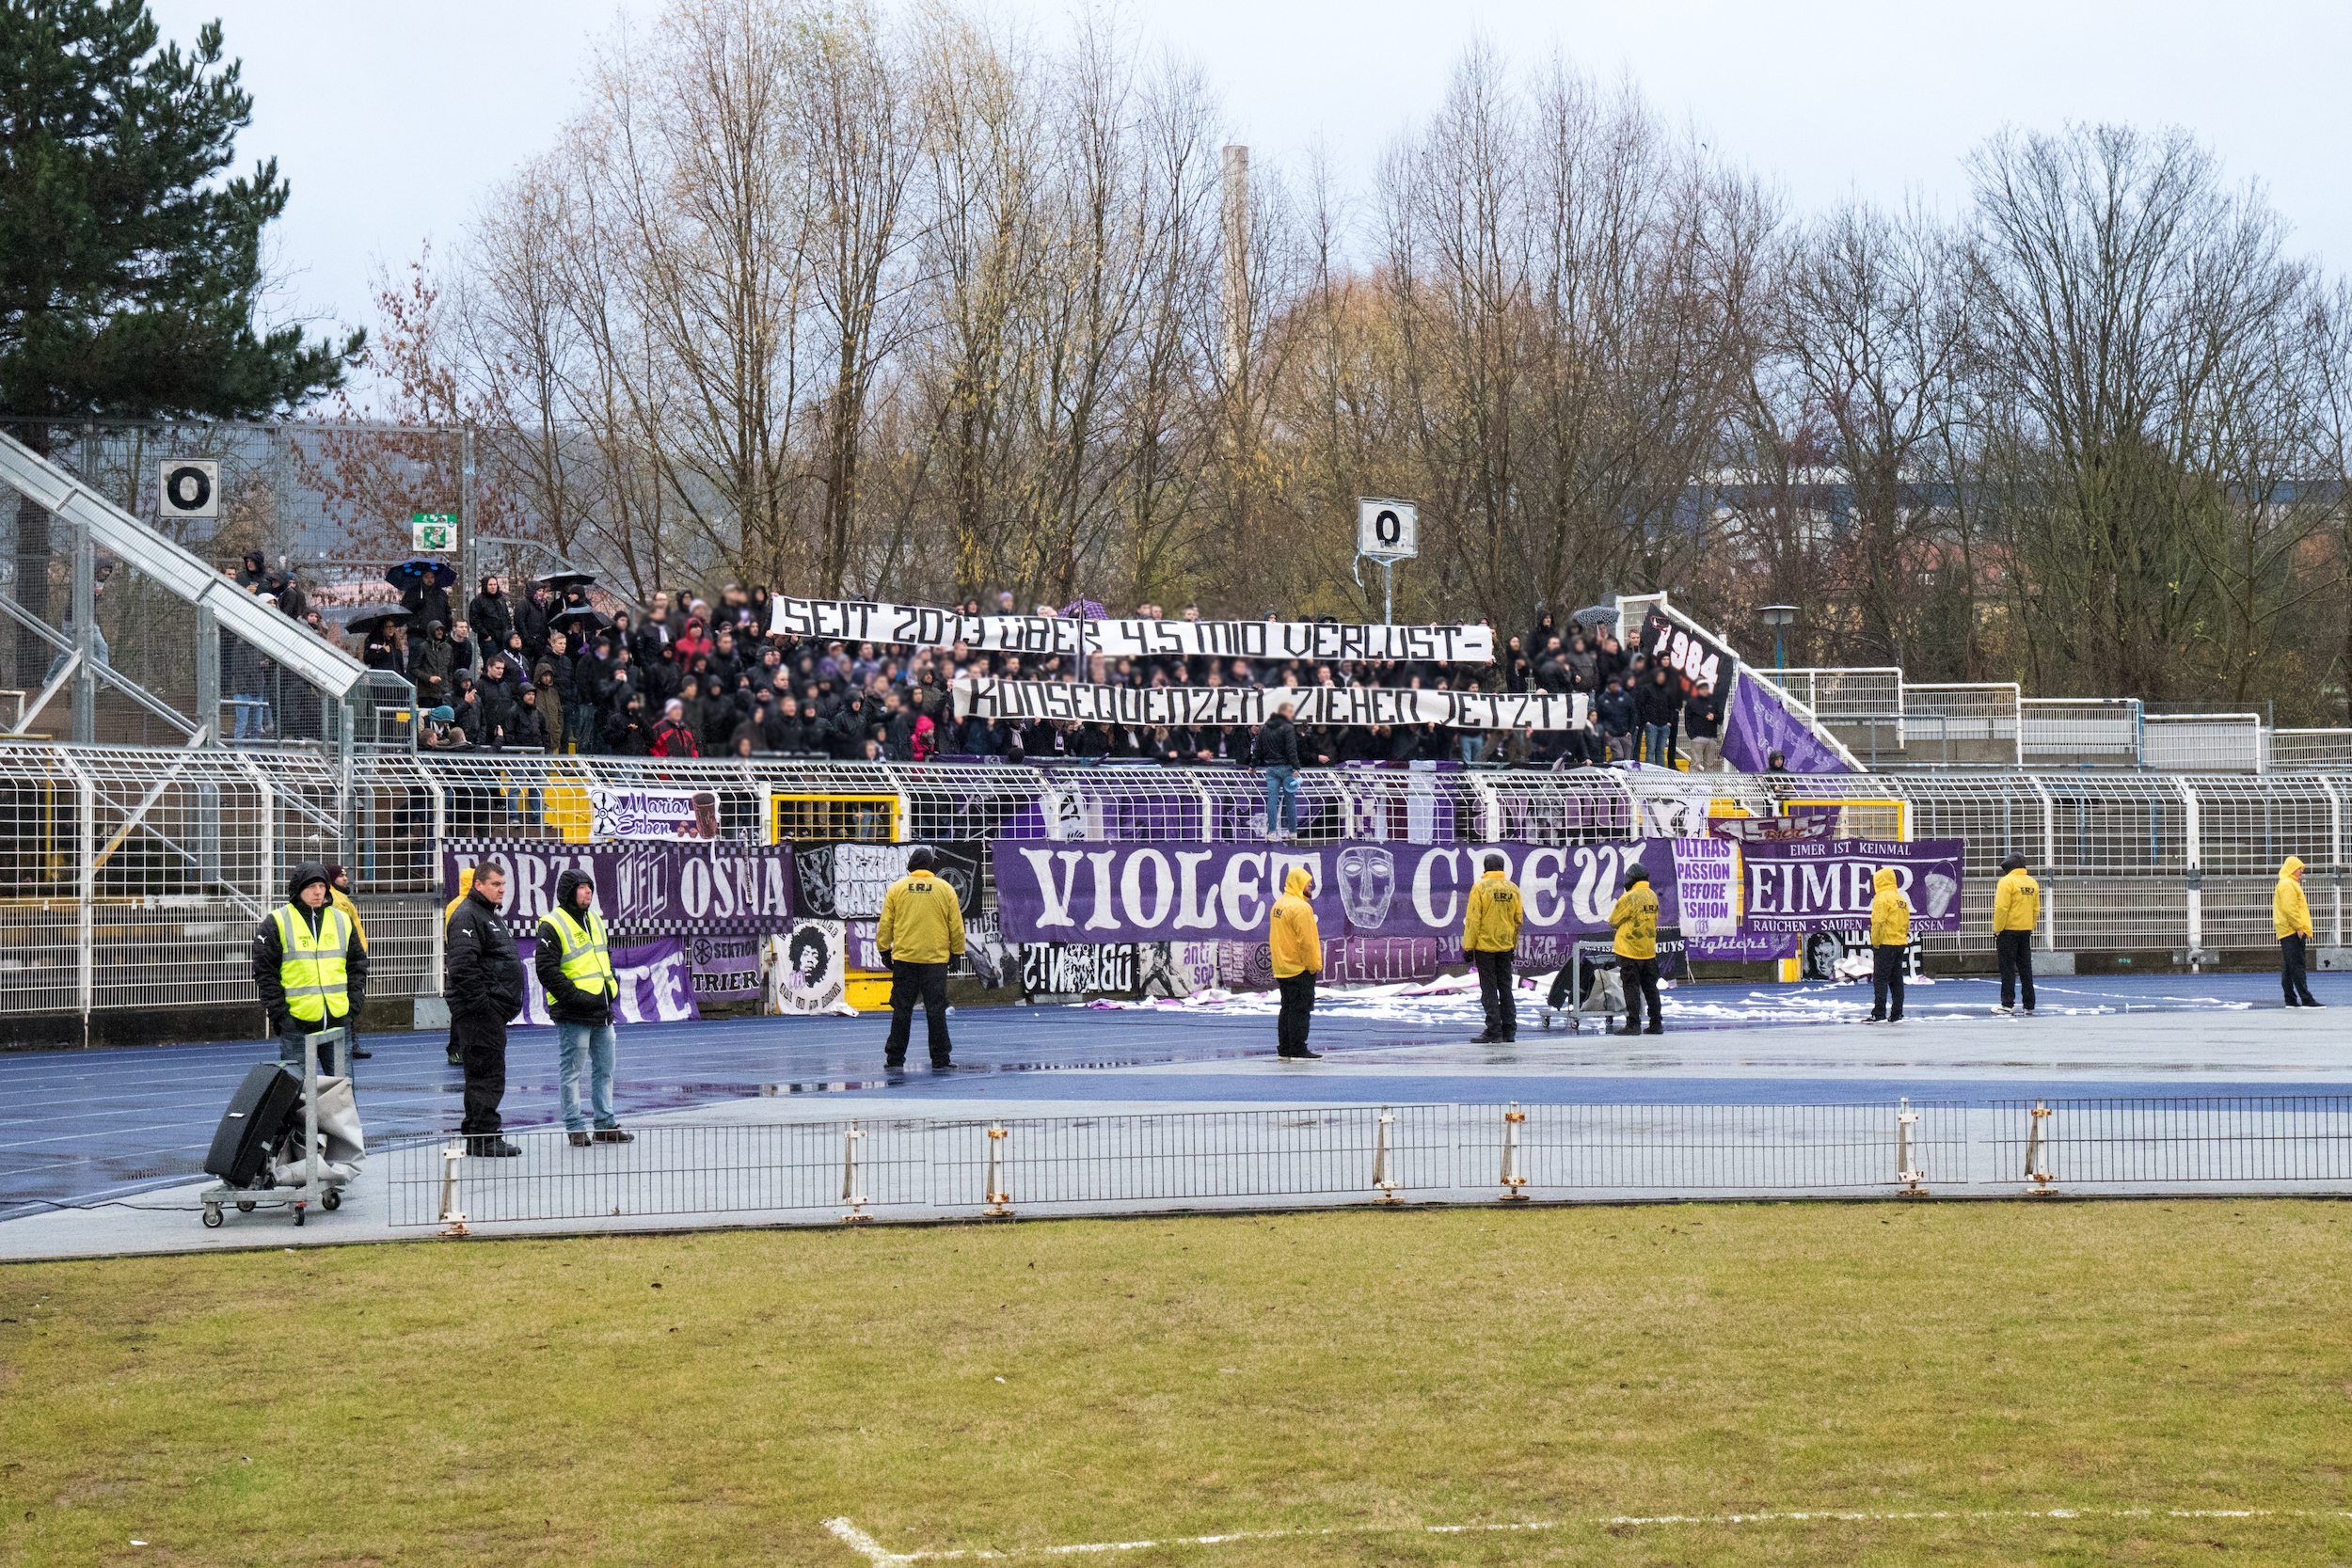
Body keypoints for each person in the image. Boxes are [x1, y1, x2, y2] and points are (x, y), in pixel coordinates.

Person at [535, 868, 632, 1147]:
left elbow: (605, 959)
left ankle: (605, 1124)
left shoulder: (595, 920)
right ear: (568, 892)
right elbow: (547, 971)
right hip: (574, 1012)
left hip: (601, 1010)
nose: (588, 891)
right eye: (581, 887)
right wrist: (577, 997)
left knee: (605, 1070)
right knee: (572, 1072)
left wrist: (610, 987)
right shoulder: (552, 924)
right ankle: (575, 1126)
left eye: (590, 887)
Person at [249, 862, 369, 1073]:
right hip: (297, 1024)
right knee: (296, 1094)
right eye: (311, 887)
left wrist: (353, 1005)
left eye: (322, 886)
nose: (317, 892)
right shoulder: (277, 922)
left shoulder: (342, 920)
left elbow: (357, 965)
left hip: (337, 1021)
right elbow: (265, 972)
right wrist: (282, 1015)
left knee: (341, 1094)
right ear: (298, 889)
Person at [445, 863, 525, 1155]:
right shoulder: (467, 915)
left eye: (503, 884)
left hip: (488, 1011)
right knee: (486, 1074)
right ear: (478, 885)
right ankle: (484, 1137)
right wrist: (484, 1007)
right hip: (480, 1012)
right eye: (495, 884)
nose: (501, 888)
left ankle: (480, 1131)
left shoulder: (487, 914)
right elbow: (462, 967)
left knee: (486, 1072)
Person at [876, 845, 966, 1071]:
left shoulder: (897, 889)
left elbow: (885, 924)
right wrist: (956, 952)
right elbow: (956, 926)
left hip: (905, 959)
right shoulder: (945, 889)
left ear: (911, 867)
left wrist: (884, 950)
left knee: (902, 1010)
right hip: (935, 961)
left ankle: (894, 1058)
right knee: (936, 1011)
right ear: (930, 867)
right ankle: (940, 1059)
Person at [1462, 851, 1524, 1043]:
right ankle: (1509, 1030)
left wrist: (1468, 947)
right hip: (1505, 946)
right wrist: (1512, 944)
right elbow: (1518, 920)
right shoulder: (1513, 888)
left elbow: (1473, 920)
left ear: (1485, 868)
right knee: (1506, 987)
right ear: (1503, 868)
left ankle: (1493, 1029)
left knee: (1489, 989)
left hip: (1485, 947)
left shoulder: (1480, 888)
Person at [1269, 864, 1323, 1058]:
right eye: (1308, 883)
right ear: (1299, 883)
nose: (1311, 887)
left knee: (1287, 1008)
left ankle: (1285, 1047)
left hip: (1282, 966)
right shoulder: (1301, 908)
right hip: (1299, 967)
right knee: (1301, 1009)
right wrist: (1313, 965)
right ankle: (1299, 1047)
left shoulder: (1279, 905)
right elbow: (1307, 942)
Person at [324, 864, 373, 1058]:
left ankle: (350, 1042)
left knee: (349, 1000)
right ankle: (349, 1043)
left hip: (350, 954)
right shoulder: (336, 900)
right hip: (344, 957)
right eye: (341, 875)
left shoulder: (340, 898)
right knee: (348, 1000)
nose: (346, 878)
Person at [1609, 864, 1661, 1036]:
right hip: (1648, 949)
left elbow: (1613, 920)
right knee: (1650, 988)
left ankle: (1633, 1023)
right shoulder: (1652, 895)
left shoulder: (1629, 897)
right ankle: (1656, 1022)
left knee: (1631, 987)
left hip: (1629, 950)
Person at [1992, 853, 2041, 1016]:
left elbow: (2001, 908)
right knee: (2026, 968)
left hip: (2008, 931)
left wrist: (1997, 928)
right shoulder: (2032, 883)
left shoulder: (2006, 882)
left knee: (2007, 968)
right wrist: (2030, 926)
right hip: (2025, 931)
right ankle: (2029, 1004)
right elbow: (2036, 909)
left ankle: (2007, 1003)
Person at [2275, 855, 2323, 1008]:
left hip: (2287, 929)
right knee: (2297, 966)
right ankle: (2306, 999)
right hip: (2292, 930)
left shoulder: (2286, 883)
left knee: (2289, 967)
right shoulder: (2288, 885)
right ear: (2292, 869)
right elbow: (2291, 909)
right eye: (2299, 869)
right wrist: (2299, 927)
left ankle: (2290, 999)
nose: (2301, 872)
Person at [1865, 867, 1910, 1024]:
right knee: (1897, 980)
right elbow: (1906, 923)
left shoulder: (1881, 898)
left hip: (1885, 943)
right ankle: (1897, 1014)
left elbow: (1878, 922)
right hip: (1900, 943)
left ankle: (1879, 1013)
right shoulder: (1901, 899)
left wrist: (1875, 942)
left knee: (1880, 979)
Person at [1257, 700, 1302, 841]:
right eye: (1290, 711)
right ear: (1283, 712)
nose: (1292, 714)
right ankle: (1293, 832)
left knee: (1272, 800)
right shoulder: (1288, 727)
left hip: (1270, 768)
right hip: (1286, 768)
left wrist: (1253, 765)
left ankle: (1271, 832)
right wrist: (1296, 766)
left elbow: (1258, 748)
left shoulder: (1264, 727)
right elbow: (1291, 749)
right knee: (1290, 800)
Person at [1682, 680, 1723, 771]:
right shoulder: (1691, 702)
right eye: (1702, 689)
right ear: (1698, 690)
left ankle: (1707, 784)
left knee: (1709, 765)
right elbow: (1687, 719)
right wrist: (1692, 735)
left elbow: (1720, 716)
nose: (1704, 691)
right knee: (1695, 764)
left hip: (1711, 737)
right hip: (1697, 737)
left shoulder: (1714, 702)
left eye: (1706, 689)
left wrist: (1714, 717)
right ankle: (1694, 784)